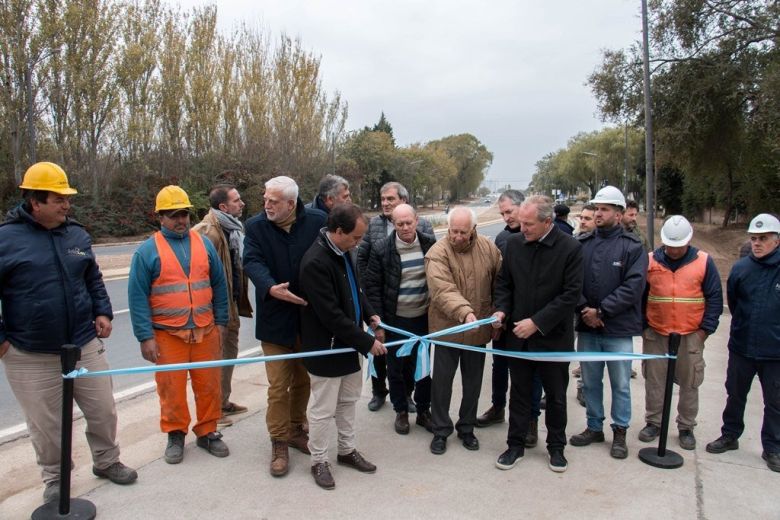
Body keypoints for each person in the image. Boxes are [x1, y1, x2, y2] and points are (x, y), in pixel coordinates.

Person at [0, 162, 137, 504]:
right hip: (29, 353)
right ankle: (56, 479)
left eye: (67, 199)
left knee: (103, 410)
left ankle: (107, 461)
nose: (66, 205)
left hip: (82, 344)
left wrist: (103, 310)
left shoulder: (76, 234)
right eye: (59, 199)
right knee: (47, 427)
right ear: (35, 202)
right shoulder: (5, 240)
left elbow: (92, 279)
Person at [129, 185, 230, 465]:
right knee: (171, 388)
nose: (180, 220)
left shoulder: (203, 244)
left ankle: (208, 430)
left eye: (184, 214)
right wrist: (144, 337)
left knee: (209, 384)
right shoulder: (147, 252)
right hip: (167, 334)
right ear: (160, 217)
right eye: (173, 215)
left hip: (205, 329)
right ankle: (175, 433)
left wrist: (221, 322)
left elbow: (219, 285)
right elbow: (137, 297)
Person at [243, 176, 326, 477]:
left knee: (304, 380)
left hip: (307, 320)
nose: (266, 205)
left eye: (273, 202)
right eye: (265, 199)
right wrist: (269, 287)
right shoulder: (255, 227)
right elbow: (251, 261)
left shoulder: (317, 221)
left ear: (291, 204)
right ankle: (278, 440)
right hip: (274, 321)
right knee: (279, 385)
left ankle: (295, 429)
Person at [493, 195, 583, 472]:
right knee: (518, 394)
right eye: (520, 222)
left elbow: (570, 296)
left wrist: (537, 322)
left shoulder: (570, 248)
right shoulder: (514, 245)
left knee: (555, 396)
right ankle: (515, 445)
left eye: (529, 224)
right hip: (518, 337)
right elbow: (504, 284)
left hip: (553, 337)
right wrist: (501, 311)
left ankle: (556, 448)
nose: (523, 229)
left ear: (547, 222)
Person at [299, 203, 386, 489]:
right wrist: (367, 342)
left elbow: (356, 290)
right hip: (327, 348)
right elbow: (331, 315)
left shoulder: (345, 251)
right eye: (355, 238)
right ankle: (319, 460)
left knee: (349, 402)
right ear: (338, 231)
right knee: (323, 410)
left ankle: (347, 450)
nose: (358, 243)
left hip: (349, 347)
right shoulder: (315, 262)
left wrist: (371, 315)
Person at [570, 185, 647, 460]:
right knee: (590, 382)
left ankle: (620, 432)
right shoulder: (582, 245)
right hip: (587, 328)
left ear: (619, 213)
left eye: (604, 209)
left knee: (621, 384)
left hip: (617, 329)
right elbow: (572, 282)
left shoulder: (633, 248)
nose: (598, 213)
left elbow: (633, 286)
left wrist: (601, 312)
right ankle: (594, 426)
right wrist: (584, 310)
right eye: (597, 208)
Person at [639, 216, 722, 450]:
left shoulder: (704, 261)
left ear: (688, 241)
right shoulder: (650, 261)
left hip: (690, 334)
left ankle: (686, 427)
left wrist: (705, 330)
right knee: (654, 381)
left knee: (690, 382)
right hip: (656, 332)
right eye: (669, 245)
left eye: (678, 246)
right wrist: (644, 325)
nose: (674, 250)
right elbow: (640, 295)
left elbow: (714, 297)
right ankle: (653, 422)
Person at [706, 213, 780, 473]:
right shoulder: (740, 269)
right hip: (742, 346)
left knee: (775, 401)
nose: (757, 243)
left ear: (777, 240)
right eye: (754, 238)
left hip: (774, 352)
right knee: (735, 394)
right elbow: (734, 303)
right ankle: (730, 435)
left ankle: (773, 447)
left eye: (763, 239)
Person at [426, 206, 502, 455]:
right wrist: (465, 313)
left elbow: (500, 283)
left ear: (473, 230)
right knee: (442, 384)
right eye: (453, 231)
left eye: (463, 232)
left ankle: (467, 428)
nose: (457, 236)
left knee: (473, 384)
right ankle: (440, 430)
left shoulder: (489, 249)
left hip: (477, 332)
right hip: (448, 330)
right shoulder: (437, 252)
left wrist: (497, 312)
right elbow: (442, 290)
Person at [357, 181, 434, 413]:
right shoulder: (376, 231)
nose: (385, 203)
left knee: (416, 362)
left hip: (420, 314)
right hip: (390, 311)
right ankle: (383, 394)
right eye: (383, 200)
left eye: (390, 199)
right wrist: (373, 311)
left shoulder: (428, 238)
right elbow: (366, 265)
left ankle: (411, 401)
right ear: (394, 224)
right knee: (389, 361)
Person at [477, 189, 543, 450]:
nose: (506, 218)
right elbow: (498, 279)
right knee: (499, 364)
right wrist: (497, 312)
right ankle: (497, 406)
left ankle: (531, 421)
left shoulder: (537, 237)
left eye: (510, 212)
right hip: (503, 314)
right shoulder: (503, 238)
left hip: (529, 320)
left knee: (530, 371)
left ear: (522, 207)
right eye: (502, 213)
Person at [192, 184, 253, 426]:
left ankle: (223, 402)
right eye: (237, 200)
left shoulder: (232, 229)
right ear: (223, 207)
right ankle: (211, 413)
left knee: (228, 356)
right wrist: (214, 314)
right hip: (216, 312)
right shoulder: (209, 232)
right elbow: (201, 276)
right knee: (215, 360)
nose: (242, 204)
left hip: (231, 307)